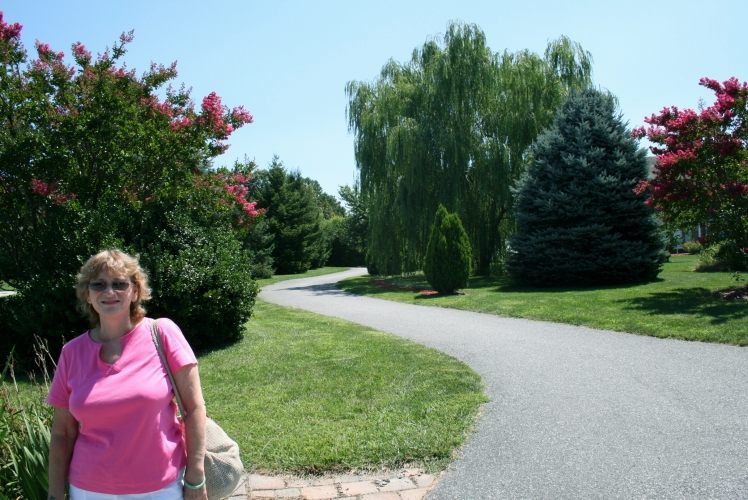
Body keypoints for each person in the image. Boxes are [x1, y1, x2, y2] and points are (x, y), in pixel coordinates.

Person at [47, 249, 208, 500]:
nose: (109, 292)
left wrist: (196, 478)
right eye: (98, 284)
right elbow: (62, 433)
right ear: (87, 295)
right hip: (89, 490)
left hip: (161, 488)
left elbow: (194, 409)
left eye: (119, 284)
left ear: (134, 291)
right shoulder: (72, 353)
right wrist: (55, 494)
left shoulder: (162, 333)